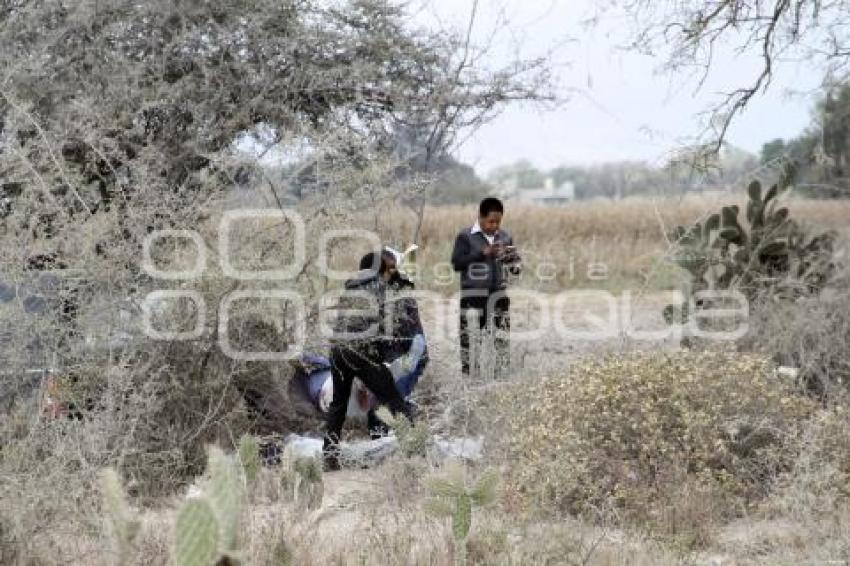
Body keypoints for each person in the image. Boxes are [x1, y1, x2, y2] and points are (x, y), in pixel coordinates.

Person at [322, 250, 415, 470]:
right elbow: (390, 324)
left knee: (338, 404)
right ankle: (417, 445)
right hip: (361, 351)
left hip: (337, 351)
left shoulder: (349, 289)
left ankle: (329, 456)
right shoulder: (379, 287)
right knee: (394, 399)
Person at [450, 197, 521, 378]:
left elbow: (515, 268)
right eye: (491, 221)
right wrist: (482, 253)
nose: (495, 226)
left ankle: (500, 376)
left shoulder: (505, 237)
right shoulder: (465, 236)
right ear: (480, 217)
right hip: (473, 297)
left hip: (498, 296)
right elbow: (457, 264)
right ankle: (469, 378)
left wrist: (510, 258)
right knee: (470, 342)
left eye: (498, 222)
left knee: (501, 339)